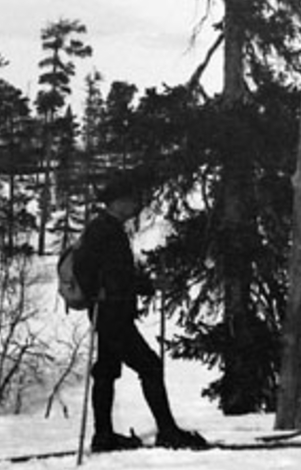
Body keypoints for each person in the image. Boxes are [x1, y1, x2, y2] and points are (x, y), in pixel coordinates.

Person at [75, 172, 208, 452]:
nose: (136, 205)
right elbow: (114, 276)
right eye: (132, 200)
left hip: (108, 311)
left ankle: (104, 435)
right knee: (148, 366)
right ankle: (167, 430)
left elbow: (103, 273)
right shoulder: (106, 231)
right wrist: (147, 285)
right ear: (119, 202)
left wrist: (99, 291)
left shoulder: (103, 229)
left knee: (107, 371)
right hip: (113, 313)